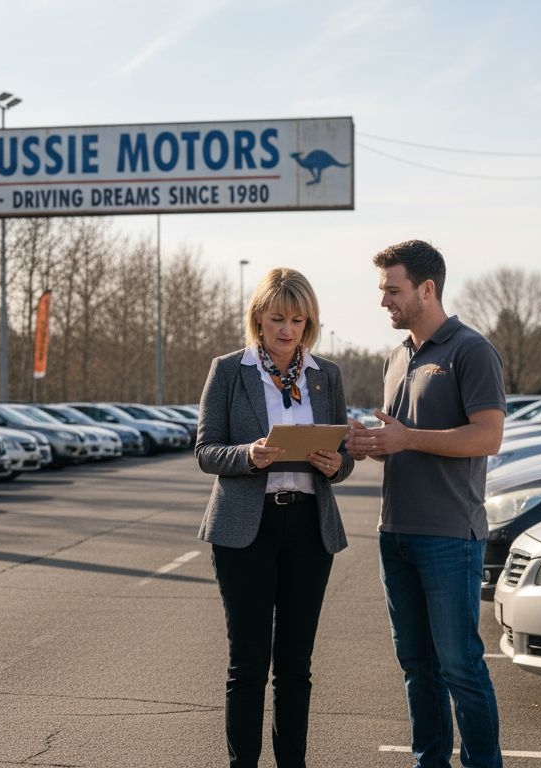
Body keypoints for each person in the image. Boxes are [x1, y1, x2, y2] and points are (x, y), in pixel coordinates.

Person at [345, 240, 505, 768]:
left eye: (393, 289)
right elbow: (399, 435)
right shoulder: (396, 357)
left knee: (460, 664)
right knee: (416, 663)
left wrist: (408, 439)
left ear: (427, 288)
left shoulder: (471, 350)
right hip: (396, 532)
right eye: (383, 290)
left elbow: (487, 437)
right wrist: (370, 442)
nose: (384, 300)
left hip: (450, 534)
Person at [195, 267, 354, 768]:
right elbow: (205, 450)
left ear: (309, 323)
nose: (288, 329)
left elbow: (343, 454)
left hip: (309, 528)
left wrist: (336, 464)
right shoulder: (228, 370)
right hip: (246, 530)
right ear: (258, 318)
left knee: (295, 667)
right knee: (247, 665)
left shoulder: (326, 376)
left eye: (298, 320)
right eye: (278, 318)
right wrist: (249, 455)